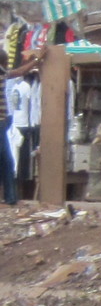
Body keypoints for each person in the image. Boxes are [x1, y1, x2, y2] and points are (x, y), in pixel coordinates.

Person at [4, 66, 35, 205]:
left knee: (8, 162)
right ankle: (10, 197)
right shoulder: (4, 74)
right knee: (8, 161)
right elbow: (19, 72)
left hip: (8, 124)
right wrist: (36, 61)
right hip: (6, 124)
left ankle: (10, 197)